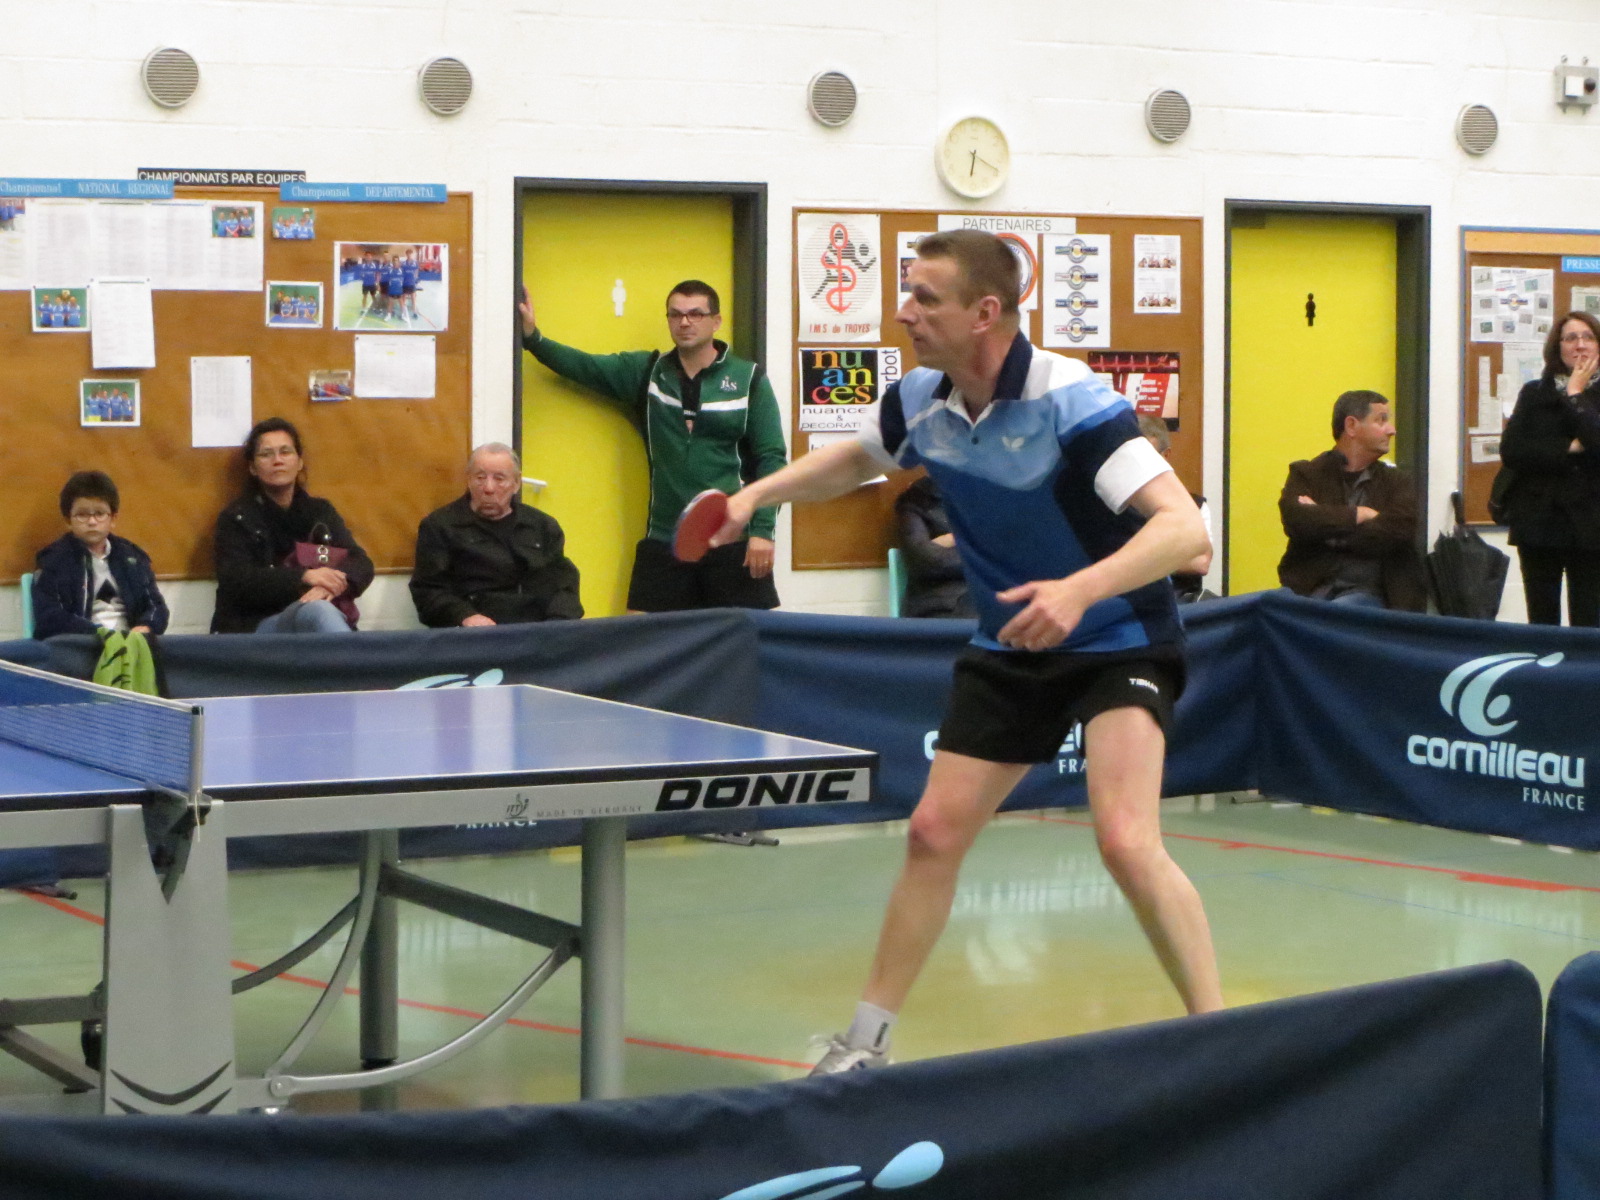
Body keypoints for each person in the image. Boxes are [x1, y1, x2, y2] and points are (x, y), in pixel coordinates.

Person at [708, 229, 1222, 1072]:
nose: (905, 312)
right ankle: (865, 1043)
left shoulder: (1073, 400)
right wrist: (753, 497)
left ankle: (1219, 1038)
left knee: (1127, 840)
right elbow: (854, 460)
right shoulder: (920, 400)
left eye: (925, 298)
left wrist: (1078, 591)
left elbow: (1183, 531)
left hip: (1117, 636)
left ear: (985, 312)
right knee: (932, 833)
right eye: (907, 293)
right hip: (1013, 641)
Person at [519, 280, 787, 612]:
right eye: (675, 314)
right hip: (665, 538)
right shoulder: (648, 372)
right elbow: (585, 367)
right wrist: (533, 338)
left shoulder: (749, 379)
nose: (684, 322)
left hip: (733, 539)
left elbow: (772, 459)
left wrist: (763, 531)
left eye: (695, 314)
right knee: (642, 634)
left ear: (716, 321)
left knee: (747, 637)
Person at [211, 417, 373, 634]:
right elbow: (237, 580)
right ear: (252, 467)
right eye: (266, 454)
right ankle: (352, 656)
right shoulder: (236, 518)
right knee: (318, 611)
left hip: (315, 611)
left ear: (299, 462)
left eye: (285, 452)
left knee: (320, 609)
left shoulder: (320, 512)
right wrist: (303, 576)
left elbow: (360, 563)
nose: (277, 460)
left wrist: (330, 585)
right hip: (256, 626)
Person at [1276, 389, 1425, 610]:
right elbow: (1297, 520)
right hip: (1310, 591)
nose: (1392, 430)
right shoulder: (1306, 474)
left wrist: (1327, 526)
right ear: (1352, 426)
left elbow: (1399, 530)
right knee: (1267, 609)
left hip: (1373, 596)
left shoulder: (1398, 482)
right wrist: (1360, 514)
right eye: (1381, 420)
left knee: (1336, 613)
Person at [1497, 311, 1600, 627]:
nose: (1579, 345)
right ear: (1558, 348)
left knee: (1589, 621)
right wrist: (1568, 448)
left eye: (1588, 337)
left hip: (1591, 523)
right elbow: (1513, 451)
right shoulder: (1534, 392)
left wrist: (1575, 393)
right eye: (1570, 338)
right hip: (1538, 520)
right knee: (1541, 619)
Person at [411, 443, 584, 627]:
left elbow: (564, 585)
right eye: (480, 478)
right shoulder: (441, 526)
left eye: (499, 479)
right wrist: (465, 616)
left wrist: (558, 625)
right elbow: (428, 591)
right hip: (476, 633)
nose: (488, 488)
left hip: (538, 629)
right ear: (468, 480)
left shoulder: (542, 526)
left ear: (516, 483)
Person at [33, 471, 169, 639]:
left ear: (113, 519)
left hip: (132, 642)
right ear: (68, 520)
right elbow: (49, 617)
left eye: (99, 513)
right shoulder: (54, 560)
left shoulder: (133, 558)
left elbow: (156, 607)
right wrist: (97, 634)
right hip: (82, 643)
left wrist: (146, 626)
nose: (92, 522)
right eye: (82, 515)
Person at [1138, 415, 1210, 603]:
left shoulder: (1195, 505)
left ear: (1166, 456)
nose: (1139, 466)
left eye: (1148, 456)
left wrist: (1135, 561)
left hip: (1178, 601)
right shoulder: (1109, 502)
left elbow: (1200, 562)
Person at [893, 475, 974, 618]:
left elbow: (1012, 557)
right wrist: (978, 545)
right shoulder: (918, 499)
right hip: (942, 603)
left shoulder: (1001, 497)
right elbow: (926, 561)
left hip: (996, 598)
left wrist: (950, 541)